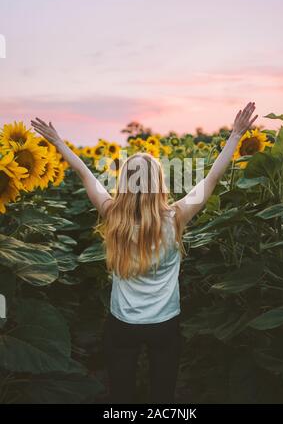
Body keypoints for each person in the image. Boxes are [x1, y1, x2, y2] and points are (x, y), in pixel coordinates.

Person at [30, 102, 257, 403]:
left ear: (124, 184)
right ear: (158, 183)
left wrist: (58, 142)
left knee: (121, 395)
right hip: (165, 324)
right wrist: (236, 135)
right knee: (162, 395)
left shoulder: (114, 215)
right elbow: (211, 180)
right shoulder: (176, 217)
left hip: (122, 324)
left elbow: (84, 173)